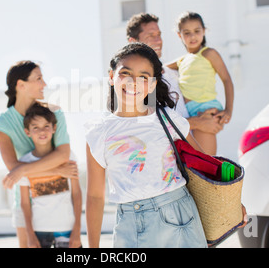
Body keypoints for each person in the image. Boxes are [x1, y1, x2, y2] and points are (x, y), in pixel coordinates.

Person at [85, 43, 208, 248]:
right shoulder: (98, 132)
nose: (134, 82)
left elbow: (202, 166)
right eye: (126, 73)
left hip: (180, 215)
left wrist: (229, 204)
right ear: (111, 76)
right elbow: (95, 196)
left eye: (143, 77)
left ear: (152, 85)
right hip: (130, 223)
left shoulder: (166, 118)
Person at [0, 60, 78, 248]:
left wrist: (23, 172)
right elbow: (13, 170)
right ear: (21, 85)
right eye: (39, 78)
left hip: (59, 206)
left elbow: (63, 155)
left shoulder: (54, 112)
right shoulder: (3, 124)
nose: (45, 84)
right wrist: (58, 170)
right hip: (26, 207)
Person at [126, 13, 224, 143]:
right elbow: (148, 126)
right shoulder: (138, 83)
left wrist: (214, 116)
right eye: (150, 36)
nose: (158, 41)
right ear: (133, 42)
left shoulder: (173, 71)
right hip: (167, 157)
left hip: (193, 149)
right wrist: (197, 123)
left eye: (159, 35)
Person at [169, 11, 234, 155]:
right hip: (189, 112)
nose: (192, 36)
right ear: (179, 35)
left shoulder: (208, 53)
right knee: (195, 159)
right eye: (187, 33)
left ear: (204, 31)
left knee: (206, 158)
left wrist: (229, 109)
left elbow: (227, 80)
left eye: (197, 31)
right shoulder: (182, 60)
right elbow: (160, 68)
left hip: (205, 109)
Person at [19, 103, 82, 248]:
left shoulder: (67, 156)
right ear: (27, 132)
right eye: (35, 127)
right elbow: (25, 203)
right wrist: (30, 235)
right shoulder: (24, 164)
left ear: (54, 128)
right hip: (39, 230)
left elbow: (77, 194)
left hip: (67, 227)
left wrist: (77, 229)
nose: (42, 131)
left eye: (46, 126)